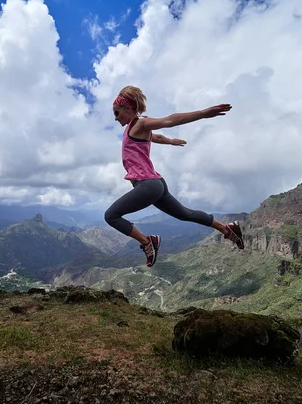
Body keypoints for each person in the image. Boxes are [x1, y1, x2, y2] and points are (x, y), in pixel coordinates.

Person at [104, 85, 244, 267]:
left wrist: (202, 113)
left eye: (117, 113)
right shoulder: (134, 128)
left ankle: (148, 242)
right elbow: (157, 137)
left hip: (148, 185)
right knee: (185, 214)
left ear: (129, 109)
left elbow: (169, 120)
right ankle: (227, 229)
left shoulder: (140, 124)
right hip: (156, 184)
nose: (115, 118)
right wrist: (171, 142)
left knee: (111, 216)